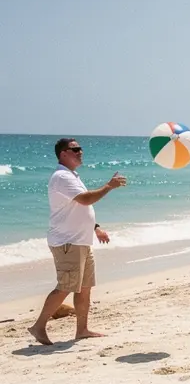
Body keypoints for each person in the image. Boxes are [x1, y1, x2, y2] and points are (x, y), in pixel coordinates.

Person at [29, 138, 127, 346]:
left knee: (84, 287)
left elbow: (78, 208)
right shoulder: (61, 177)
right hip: (68, 242)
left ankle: (82, 330)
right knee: (66, 286)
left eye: (81, 148)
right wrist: (109, 186)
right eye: (75, 149)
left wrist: (96, 227)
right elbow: (85, 199)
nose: (80, 152)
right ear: (63, 153)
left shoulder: (72, 176)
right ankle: (38, 326)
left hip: (81, 241)